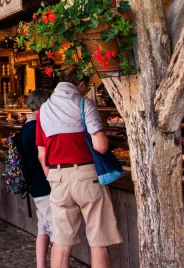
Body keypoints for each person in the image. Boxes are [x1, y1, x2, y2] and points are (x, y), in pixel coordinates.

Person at [36, 65, 122, 268]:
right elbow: (100, 146)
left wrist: (53, 177)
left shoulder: (43, 110)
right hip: (86, 175)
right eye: (86, 86)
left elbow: (42, 154)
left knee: (61, 241)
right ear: (80, 84)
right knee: (98, 240)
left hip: (57, 177)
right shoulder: (84, 104)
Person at [17, 89, 52, 268]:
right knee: (56, 232)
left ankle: (40, 265)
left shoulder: (26, 126)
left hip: (34, 183)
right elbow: (44, 157)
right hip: (44, 184)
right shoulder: (38, 126)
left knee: (42, 229)